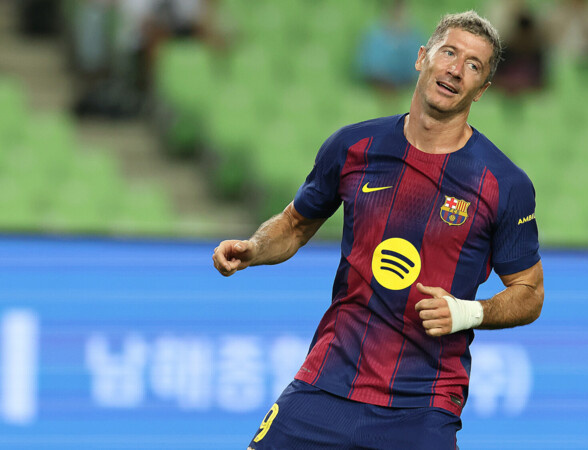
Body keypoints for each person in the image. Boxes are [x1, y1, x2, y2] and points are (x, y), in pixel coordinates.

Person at [212, 10, 544, 449]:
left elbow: (530, 292)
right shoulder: (354, 147)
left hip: (422, 404)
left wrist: (469, 312)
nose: (455, 70)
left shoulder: (503, 184)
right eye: (449, 53)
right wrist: (254, 248)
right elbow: (295, 224)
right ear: (422, 57)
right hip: (328, 383)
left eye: (473, 65)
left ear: (481, 90)